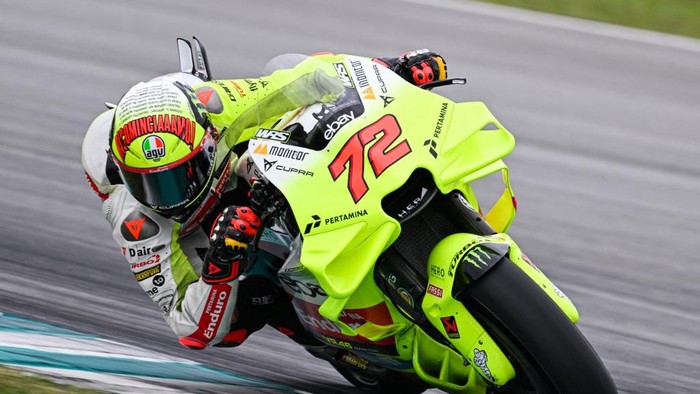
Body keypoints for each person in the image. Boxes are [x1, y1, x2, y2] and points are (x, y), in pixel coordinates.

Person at [81, 46, 448, 350]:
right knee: (240, 316)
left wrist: (390, 69)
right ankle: (327, 334)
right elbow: (191, 329)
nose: (168, 198)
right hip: (198, 236)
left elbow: (307, 77)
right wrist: (219, 266)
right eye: (149, 185)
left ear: (208, 142)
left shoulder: (220, 106)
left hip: (236, 157)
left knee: (295, 65)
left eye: (180, 178)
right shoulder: (136, 219)